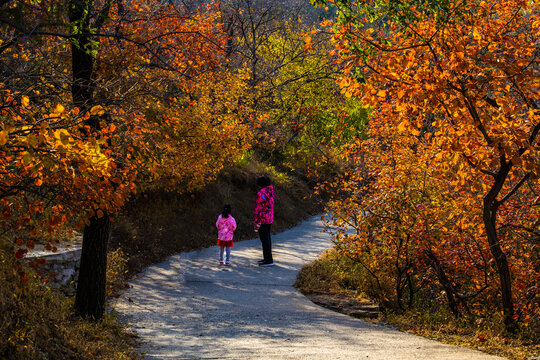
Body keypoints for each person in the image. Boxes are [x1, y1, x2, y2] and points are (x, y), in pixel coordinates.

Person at [254, 175, 274, 267]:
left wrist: (256, 220)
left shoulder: (261, 193)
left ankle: (268, 260)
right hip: (269, 218)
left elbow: (259, 207)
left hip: (262, 219)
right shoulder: (270, 191)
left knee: (264, 239)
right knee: (267, 239)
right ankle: (267, 258)